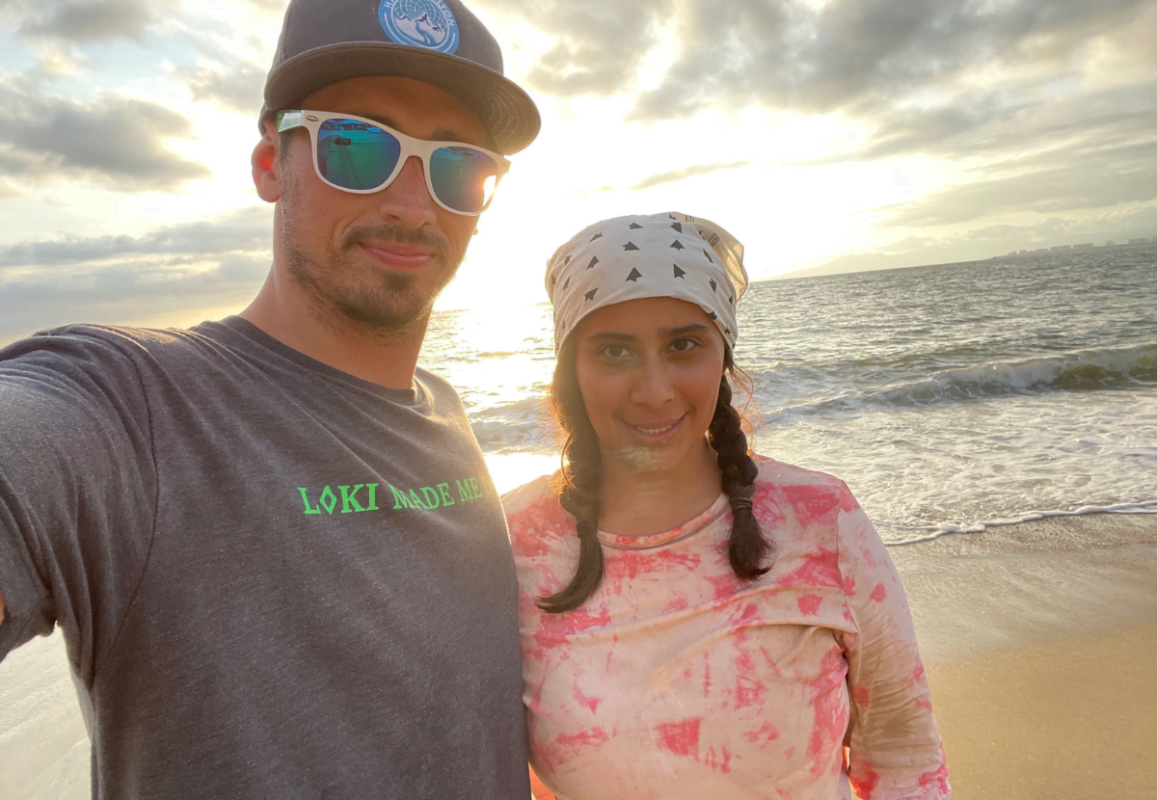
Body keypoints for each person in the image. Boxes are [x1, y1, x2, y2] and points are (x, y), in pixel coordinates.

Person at [0, 0, 540, 797]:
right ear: (268, 165)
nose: (412, 204)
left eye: (459, 166)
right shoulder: (132, 404)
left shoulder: (445, 411)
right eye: (358, 147)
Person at [504, 212, 950, 800]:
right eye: (614, 352)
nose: (655, 389)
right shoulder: (512, 543)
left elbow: (904, 758)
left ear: (724, 357)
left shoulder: (820, 519)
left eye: (683, 345)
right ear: (571, 370)